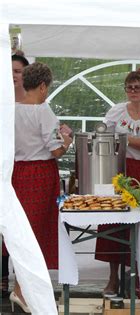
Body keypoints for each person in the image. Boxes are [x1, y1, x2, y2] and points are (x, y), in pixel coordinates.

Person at [95, 69, 140, 295]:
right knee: (113, 223)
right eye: (129, 87)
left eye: (138, 87)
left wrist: (123, 138)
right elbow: (104, 137)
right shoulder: (116, 111)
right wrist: (133, 141)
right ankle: (113, 278)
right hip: (120, 170)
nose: (133, 91)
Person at [9, 62, 73, 312]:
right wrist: (67, 139)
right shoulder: (43, 110)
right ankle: (22, 290)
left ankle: (24, 288)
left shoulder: (13, 110)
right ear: (43, 85)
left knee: (23, 230)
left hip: (19, 172)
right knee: (38, 231)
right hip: (40, 174)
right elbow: (55, 150)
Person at [2, 54, 30, 298]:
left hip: (25, 171)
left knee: (21, 226)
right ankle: (2, 276)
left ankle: (21, 285)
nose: (12, 75)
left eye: (17, 71)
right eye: (8, 70)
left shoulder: (34, 102)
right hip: (3, 170)